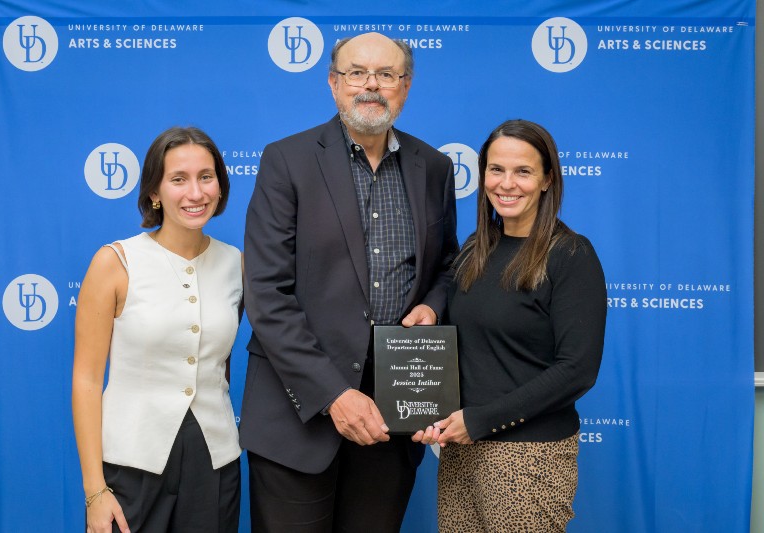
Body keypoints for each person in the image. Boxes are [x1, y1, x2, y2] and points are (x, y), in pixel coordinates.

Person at [241, 32, 459, 532]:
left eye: (386, 74)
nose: (371, 85)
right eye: (357, 72)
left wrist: (433, 303)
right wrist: (334, 394)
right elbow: (267, 295)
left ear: (406, 86)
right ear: (334, 83)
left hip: (393, 416)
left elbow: (448, 263)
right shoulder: (287, 160)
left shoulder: (436, 168)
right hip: (297, 415)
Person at [426, 119, 607, 531]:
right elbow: (463, 349)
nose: (507, 184)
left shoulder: (571, 256)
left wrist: (483, 420)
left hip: (531, 457)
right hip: (460, 451)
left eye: (523, 171)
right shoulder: (476, 248)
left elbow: (577, 369)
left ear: (546, 180)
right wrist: (423, 408)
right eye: (496, 169)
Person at [72, 126, 243, 533]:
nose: (196, 193)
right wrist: (95, 491)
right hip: (130, 467)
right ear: (154, 192)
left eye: (206, 177)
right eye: (178, 179)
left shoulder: (236, 263)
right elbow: (87, 380)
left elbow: (221, 362)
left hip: (215, 464)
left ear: (220, 186)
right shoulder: (116, 261)